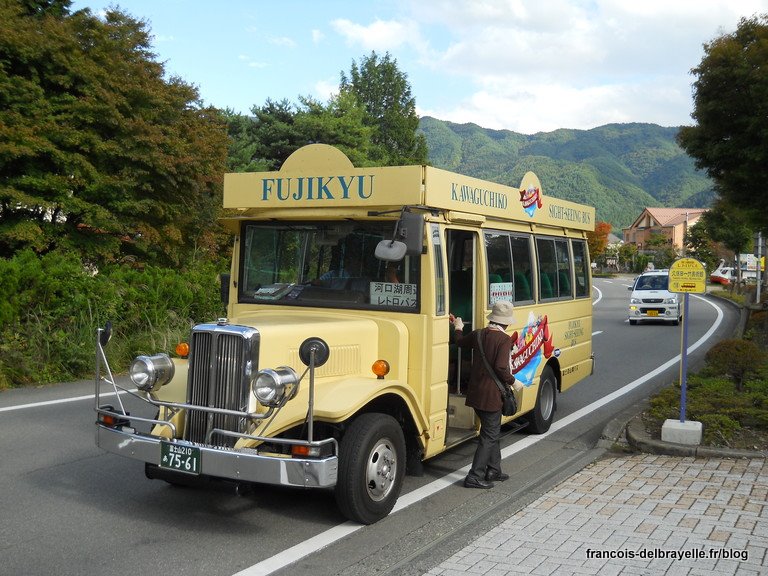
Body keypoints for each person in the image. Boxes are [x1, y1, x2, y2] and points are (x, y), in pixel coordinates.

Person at [451, 300, 518, 489]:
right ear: (506, 322)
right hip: (491, 396)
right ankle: (475, 476)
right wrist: (514, 382)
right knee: (489, 435)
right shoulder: (504, 340)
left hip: (475, 393)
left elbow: (459, 342)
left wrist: (458, 326)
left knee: (492, 431)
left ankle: (494, 470)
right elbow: (501, 367)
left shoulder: (479, 334)